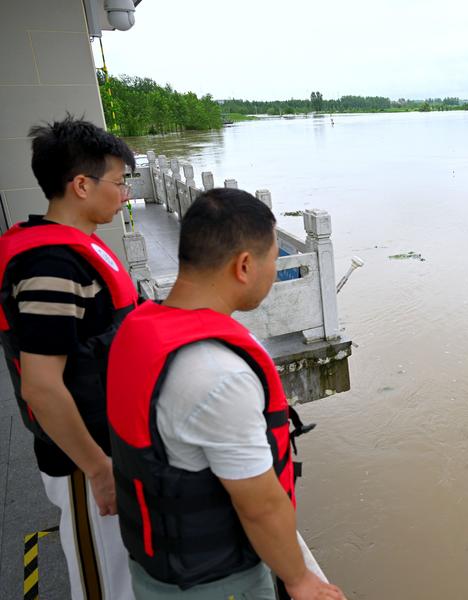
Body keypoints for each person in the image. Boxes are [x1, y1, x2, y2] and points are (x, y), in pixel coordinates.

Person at [106, 188, 346, 600]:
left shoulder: (137, 329)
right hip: (217, 583)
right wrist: (300, 579)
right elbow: (260, 505)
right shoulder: (219, 375)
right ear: (245, 266)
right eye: (274, 259)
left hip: (156, 571)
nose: (274, 271)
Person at [0, 117, 139, 599]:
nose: (124, 194)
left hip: (109, 443)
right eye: (119, 182)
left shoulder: (77, 252)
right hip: (84, 458)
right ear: (82, 185)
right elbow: (40, 385)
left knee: (124, 567)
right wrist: (98, 468)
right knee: (104, 579)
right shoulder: (50, 268)